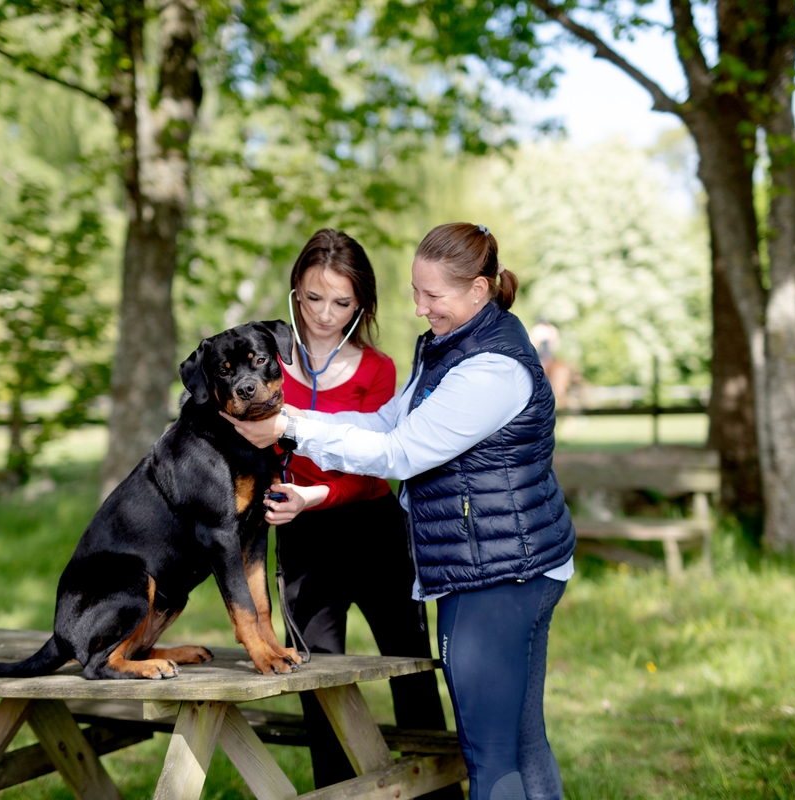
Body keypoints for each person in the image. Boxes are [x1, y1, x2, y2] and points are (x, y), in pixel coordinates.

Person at [227, 222, 576, 800]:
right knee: (520, 739)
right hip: (506, 561)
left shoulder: (489, 369)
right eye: (416, 291)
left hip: (496, 575)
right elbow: (388, 420)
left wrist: (290, 429)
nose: (418, 307)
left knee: (489, 752)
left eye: (432, 294)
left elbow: (400, 452)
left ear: (479, 290)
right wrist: (299, 422)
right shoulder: (455, 344)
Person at [262, 229, 458, 794]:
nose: (324, 314)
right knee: (320, 679)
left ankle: (437, 792)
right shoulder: (265, 364)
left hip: (374, 533)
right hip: (302, 538)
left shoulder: (378, 369)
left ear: (362, 305)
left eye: (341, 302)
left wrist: (314, 495)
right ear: (294, 292)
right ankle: (337, 793)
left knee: (411, 668)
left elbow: (376, 463)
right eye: (312, 297)